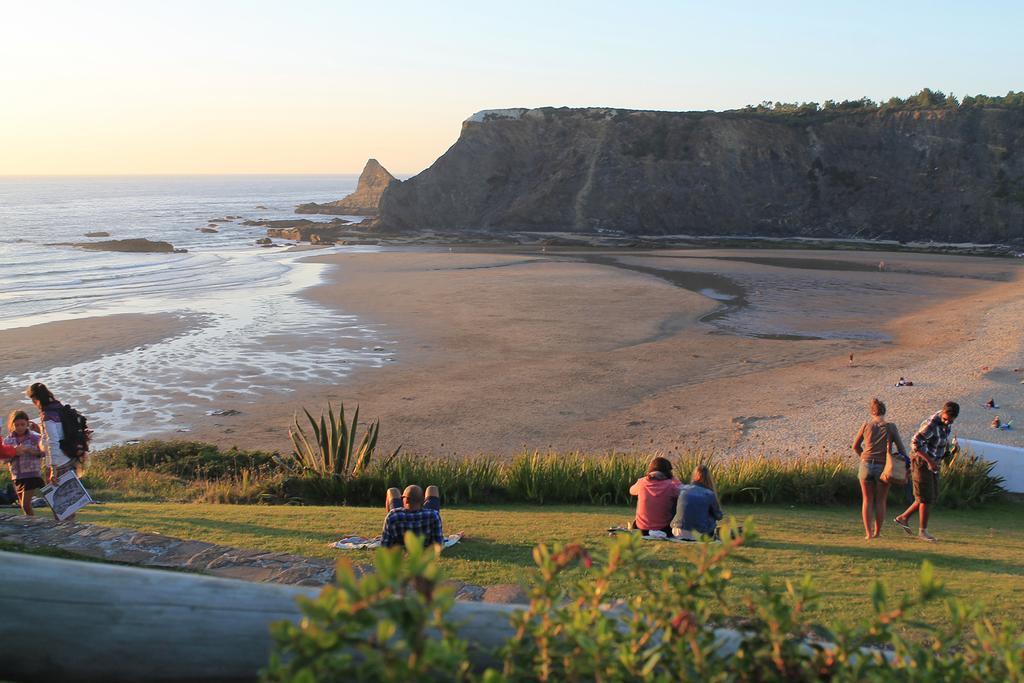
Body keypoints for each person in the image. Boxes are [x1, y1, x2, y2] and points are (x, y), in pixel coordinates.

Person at [894, 401, 959, 542]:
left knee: (931, 496)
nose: (947, 422)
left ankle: (903, 518)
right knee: (925, 497)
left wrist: (947, 453)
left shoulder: (946, 425)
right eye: (945, 419)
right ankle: (923, 532)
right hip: (921, 462)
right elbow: (915, 443)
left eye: (950, 420)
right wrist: (929, 461)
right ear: (942, 412)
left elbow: (938, 443)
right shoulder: (931, 424)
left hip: (933, 463)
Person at [852, 399, 907, 539]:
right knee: (881, 501)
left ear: (872, 412)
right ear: (884, 411)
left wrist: (863, 457)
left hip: (866, 464)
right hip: (884, 467)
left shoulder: (866, 425)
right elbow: (901, 450)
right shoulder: (891, 427)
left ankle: (868, 534)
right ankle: (877, 533)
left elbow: (855, 446)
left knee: (867, 500)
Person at [25, 383, 79, 520]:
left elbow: (53, 441)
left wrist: (53, 468)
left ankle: (65, 534)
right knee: (69, 503)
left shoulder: (47, 415)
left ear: (35, 398)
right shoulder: (58, 408)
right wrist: (39, 431)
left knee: (59, 505)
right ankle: (70, 531)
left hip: (58, 462)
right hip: (68, 458)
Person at [3, 410, 45, 517]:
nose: (20, 427)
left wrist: (30, 451)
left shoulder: (35, 438)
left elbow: (44, 453)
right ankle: (31, 525)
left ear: (27, 423)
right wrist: (15, 452)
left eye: (22, 424)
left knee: (26, 504)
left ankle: (33, 526)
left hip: (32, 474)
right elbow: (4, 459)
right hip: (16, 475)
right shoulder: (8, 440)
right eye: (16, 425)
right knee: (23, 506)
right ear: (12, 425)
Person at [628, 457, 681, 537]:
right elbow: (685, 492)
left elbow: (631, 490)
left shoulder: (641, 483)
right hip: (663, 529)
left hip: (641, 529)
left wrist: (644, 479)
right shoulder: (671, 486)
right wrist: (674, 480)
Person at [672, 465, 724, 539]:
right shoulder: (709, 493)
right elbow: (718, 516)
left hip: (677, 531)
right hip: (697, 534)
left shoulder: (683, 489)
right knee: (712, 518)